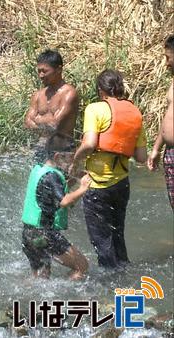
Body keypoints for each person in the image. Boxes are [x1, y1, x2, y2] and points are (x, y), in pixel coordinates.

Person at [69, 69, 147, 270]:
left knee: (102, 241)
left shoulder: (95, 109)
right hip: (122, 184)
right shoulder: (135, 113)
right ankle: (124, 276)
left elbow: (89, 144)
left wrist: (75, 161)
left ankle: (110, 288)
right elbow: (141, 157)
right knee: (117, 235)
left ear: (100, 90)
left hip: (98, 185)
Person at [21, 136, 91, 280]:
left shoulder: (39, 169)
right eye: (70, 158)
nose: (72, 163)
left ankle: (30, 300)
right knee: (82, 267)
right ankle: (66, 296)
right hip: (45, 234)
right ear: (58, 156)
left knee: (40, 278)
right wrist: (83, 187)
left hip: (29, 234)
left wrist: (73, 179)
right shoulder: (53, 176)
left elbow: (51, 191)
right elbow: (64, 201)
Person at [25, 50, 80, 162]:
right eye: (39, 71)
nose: (41, 75)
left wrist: (37, 119)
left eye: (44, 71)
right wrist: (46, 122)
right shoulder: (38, 95)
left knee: (62, 179)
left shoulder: (69, 93)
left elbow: (54, 124)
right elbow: (27, 124)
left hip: (63, 151)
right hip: (41, 149)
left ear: (59, 69)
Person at [147, 35, 174, 210]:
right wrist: (156, 148)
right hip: (170, 153)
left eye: (168, 57)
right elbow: (168, 117)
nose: (166, 62)